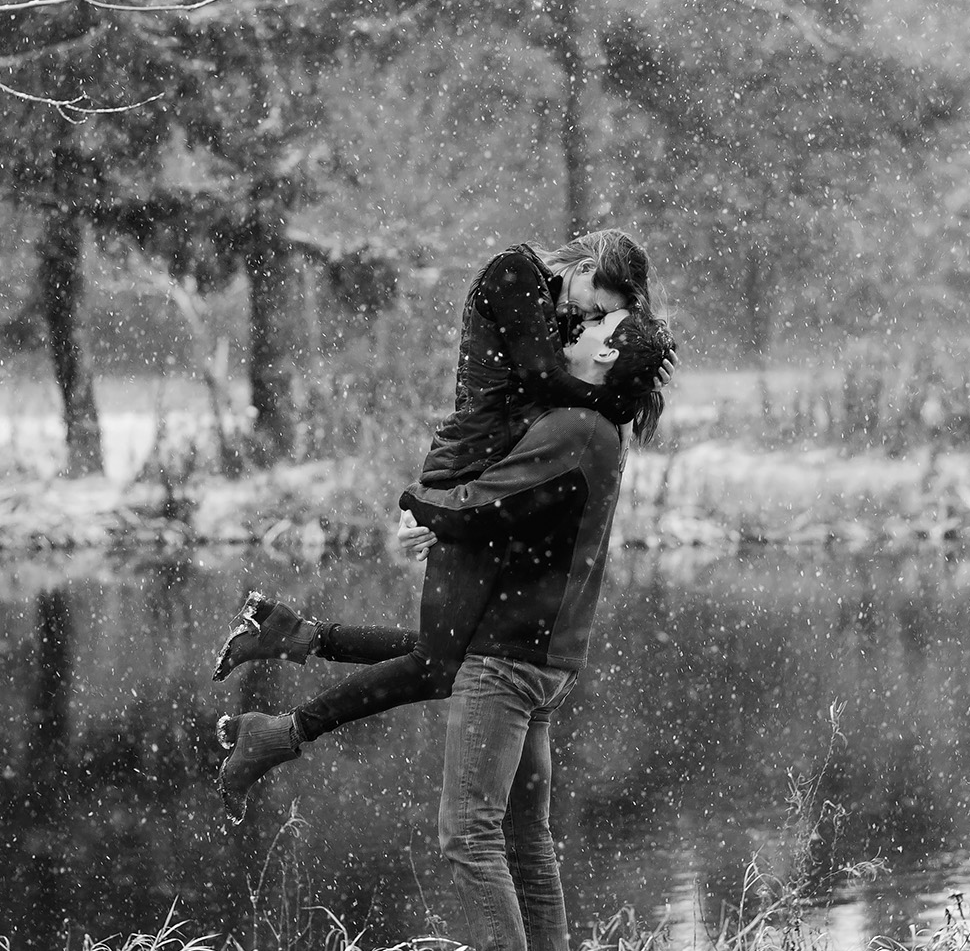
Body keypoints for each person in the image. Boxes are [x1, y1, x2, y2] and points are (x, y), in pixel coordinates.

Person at [226, 309, 676, 951]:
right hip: (540, 654)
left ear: (607, 352)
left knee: (466, 829)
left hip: (510, 658)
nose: (582, 321)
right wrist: (454, 522)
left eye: (602, 320)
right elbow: (516, 513)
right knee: (525, 844)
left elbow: (487, 494)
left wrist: (422, 506)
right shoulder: (598, 430)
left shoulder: (575, 426)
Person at [210, 231, 663, 801]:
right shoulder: (514, 271)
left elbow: (548, 395)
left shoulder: (551, 312)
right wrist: (616, 394)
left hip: (485, 479)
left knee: (450, 653)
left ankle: (287, 636)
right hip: (468, 478)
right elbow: (543, 382)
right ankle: (280, 726)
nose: (581, 315)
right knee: (438, 663)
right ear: (588, 265)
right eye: (593, 305)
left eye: (596, 317)